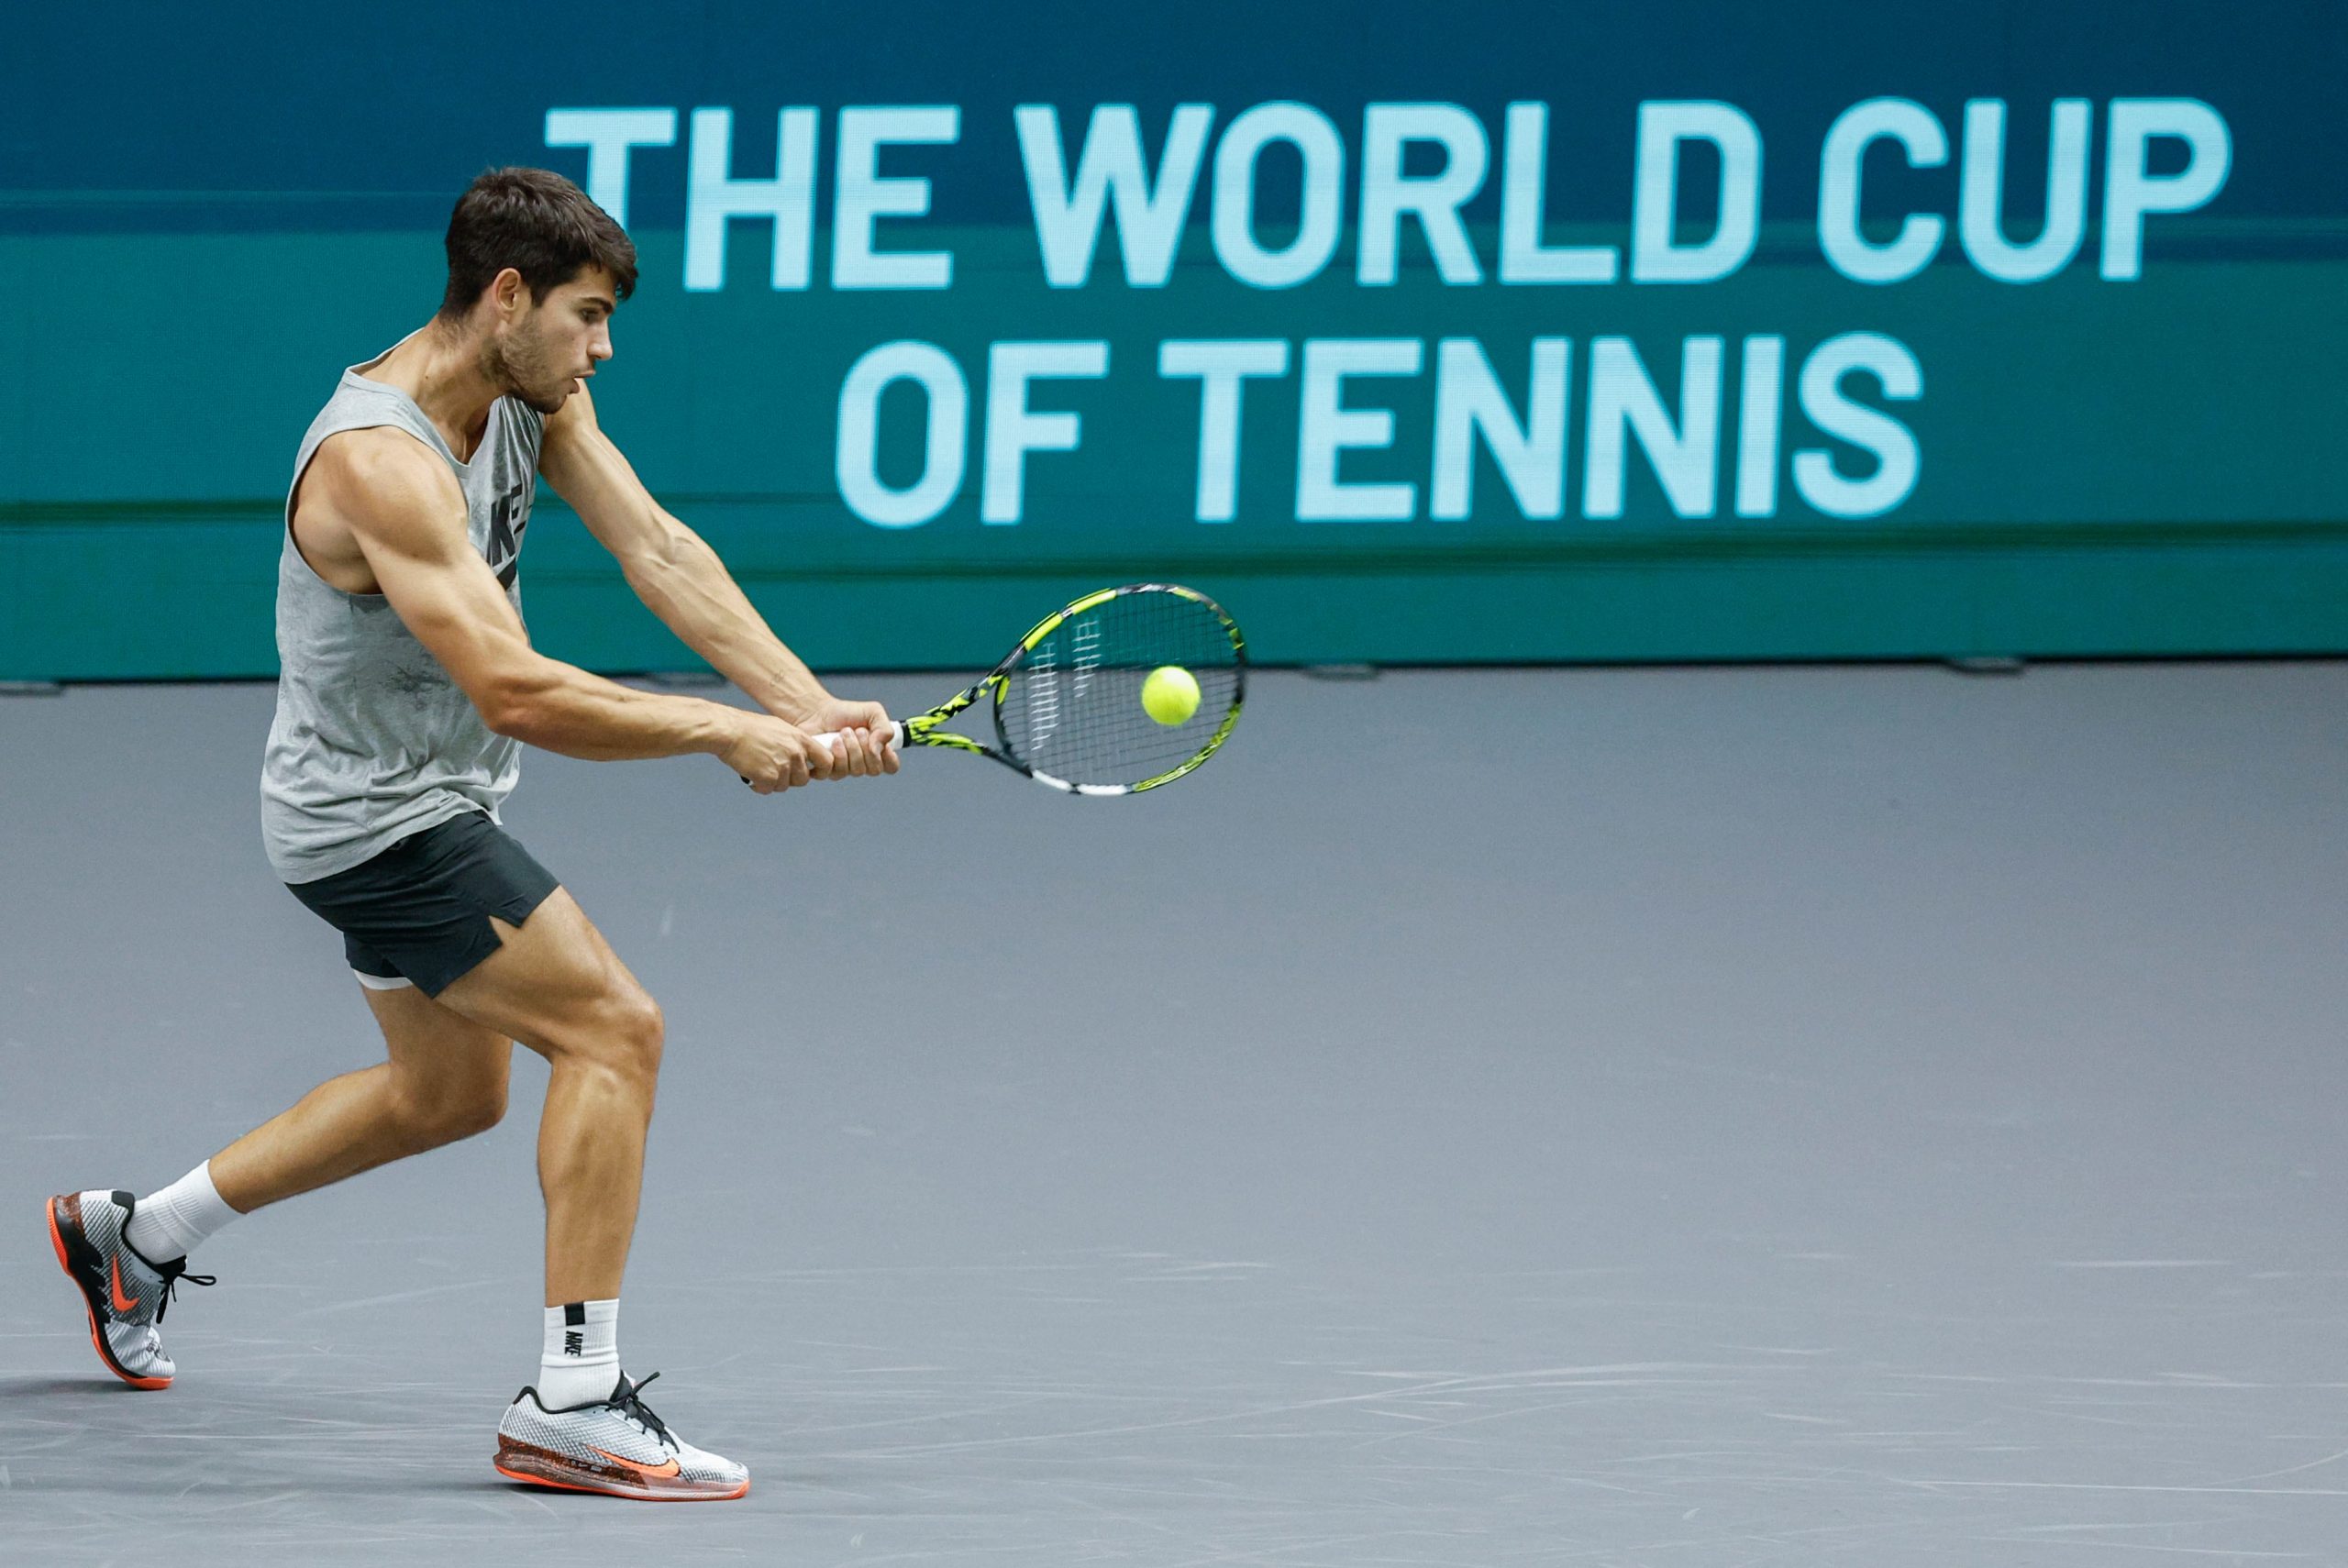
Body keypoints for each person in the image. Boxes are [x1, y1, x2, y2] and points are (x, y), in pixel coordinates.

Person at [43, 167, 894, 1502]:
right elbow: (515, 687)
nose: (602, 347)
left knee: (452, 1095)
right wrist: (724, 733)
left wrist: (803, 701)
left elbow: (656, 548)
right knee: (615, 1029)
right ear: (508, 296)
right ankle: (572, 1399)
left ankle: (134, 1236)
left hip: (428, 794)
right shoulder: (377, 462)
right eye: (589, 315)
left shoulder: (532, 392)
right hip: (376, 824)